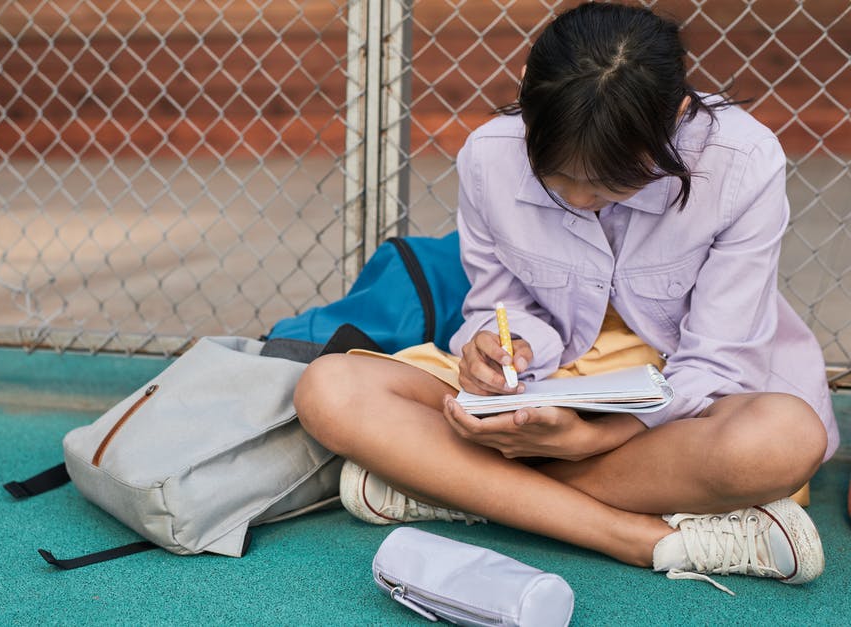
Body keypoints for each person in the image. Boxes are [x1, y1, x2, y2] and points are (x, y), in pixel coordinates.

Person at [293, 1, 837, 595]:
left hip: (677, 401)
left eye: (613, 182)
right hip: (540, 388)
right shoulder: (488, 156)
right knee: (328, 388)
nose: (579, 199)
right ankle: (637, 537)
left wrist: (596, 435)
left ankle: (454, 486)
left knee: (783, 441)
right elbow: (494, 306)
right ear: (528, 102)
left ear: (678, 115)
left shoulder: (743, 162)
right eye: (555, 176)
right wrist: (498, 349)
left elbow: (719, 362)